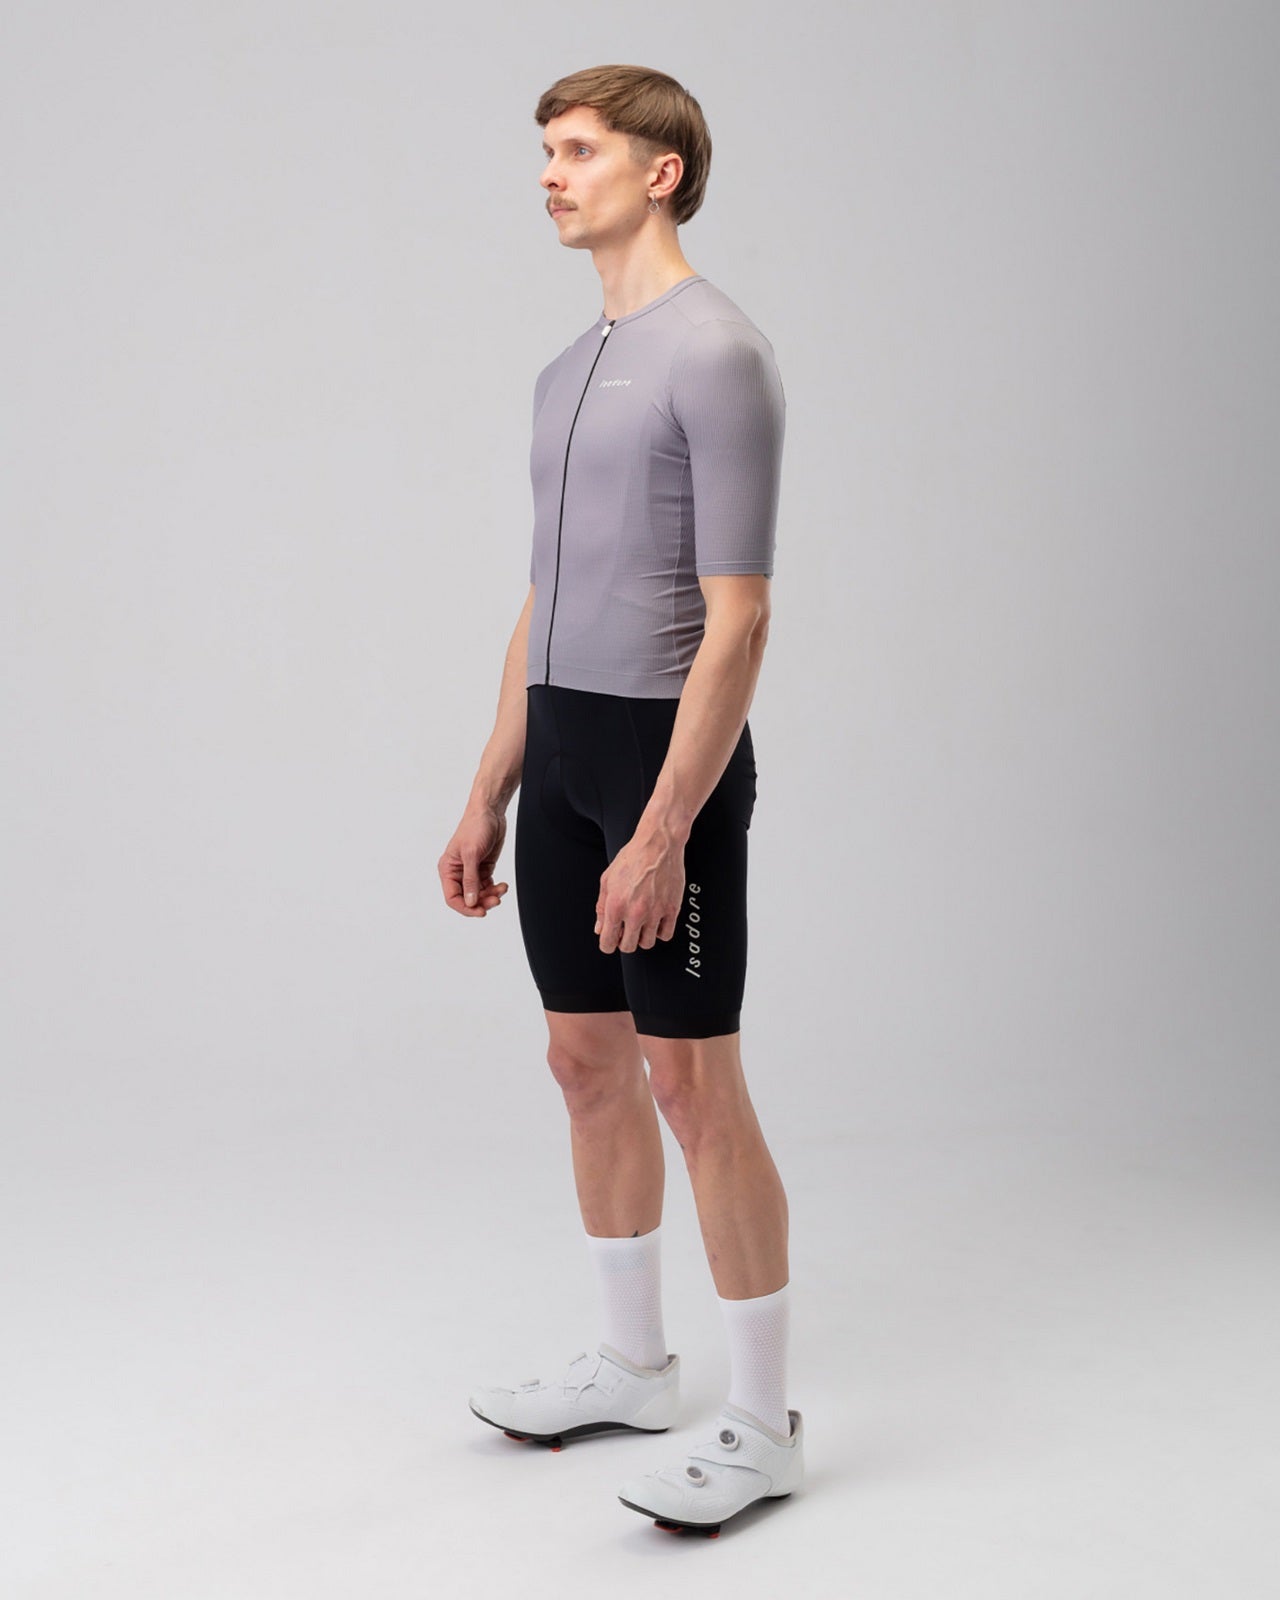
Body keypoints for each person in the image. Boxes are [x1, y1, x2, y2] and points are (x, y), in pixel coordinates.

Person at [438, 63, 803, 1536]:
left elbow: (742, 619)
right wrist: (488, 787)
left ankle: (763, 1424)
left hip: (668, 762)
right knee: (582, 1062)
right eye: (545, 149)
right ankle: (633, 1365)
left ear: (660, 172)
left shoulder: (718, 354)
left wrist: (662, 830)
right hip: (564, 757)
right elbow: (544, 594)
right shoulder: (563, 370)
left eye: (578, 148)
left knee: (691, 1086)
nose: (550, 172)